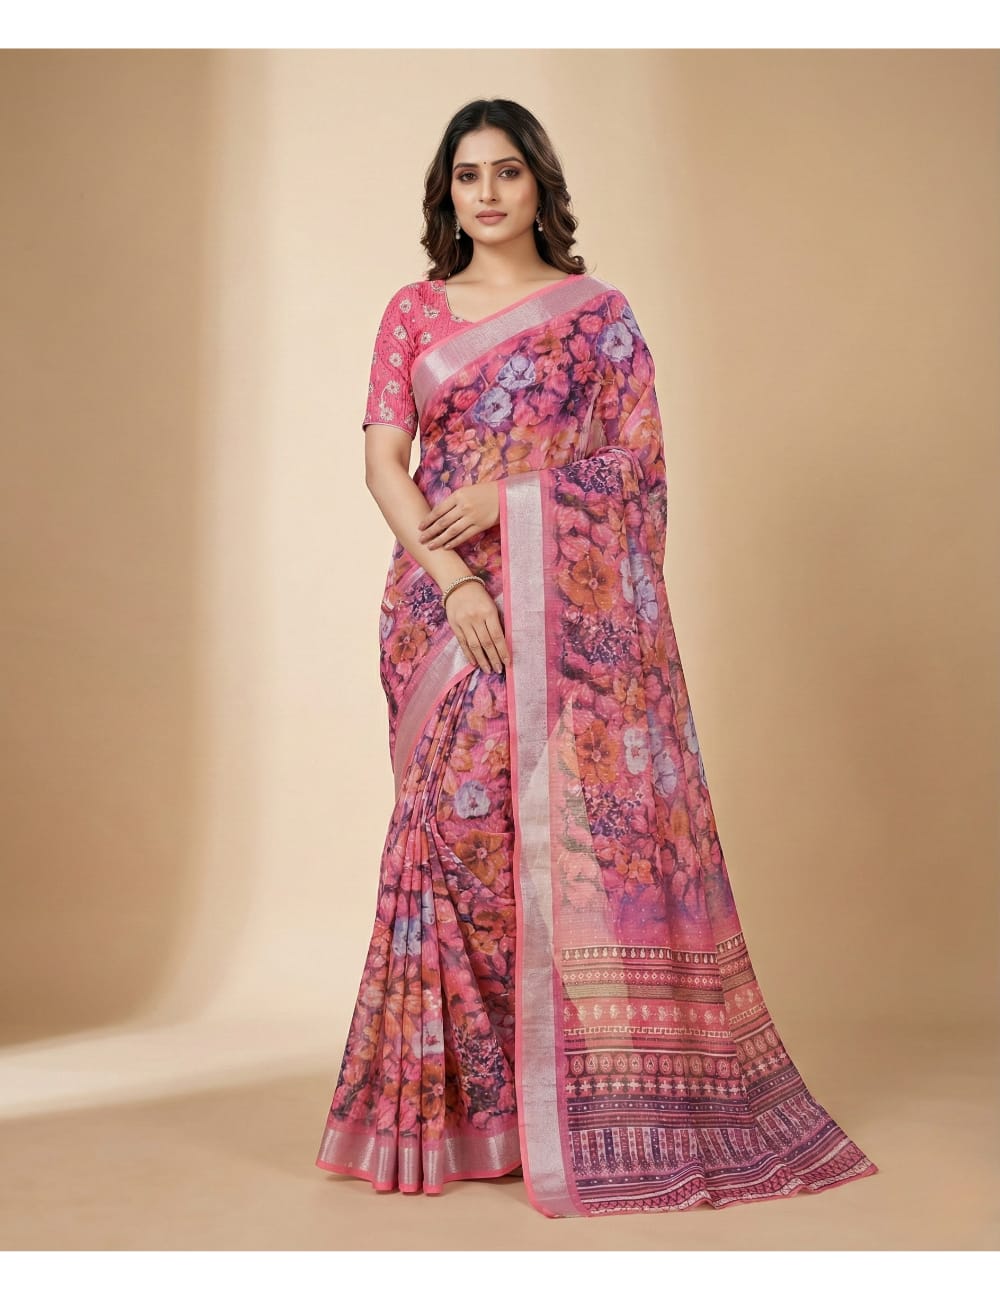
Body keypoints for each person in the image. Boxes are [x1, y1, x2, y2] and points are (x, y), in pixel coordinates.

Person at [315, 97, 879, 1219]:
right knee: (456, 843)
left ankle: (557, 1104)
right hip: (442, 608)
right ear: (446, 193)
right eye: (467, 175)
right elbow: (384, 463)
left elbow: (636, 466)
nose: (486, 193)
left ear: (540, 185)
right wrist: (457, 576)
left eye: (506, 172)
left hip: (566, 610)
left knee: (558, 847)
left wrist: (511, 497)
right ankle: (470, 1112)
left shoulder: (600, 317)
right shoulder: (413, 312)